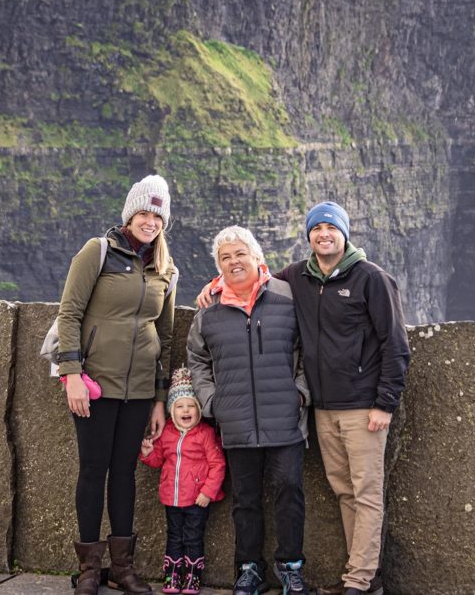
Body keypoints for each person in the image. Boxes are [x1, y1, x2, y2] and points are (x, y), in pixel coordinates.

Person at [197, 203, 409, 595]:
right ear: (308, 236)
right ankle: (364, 576)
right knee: (344, 491)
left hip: (363, 407)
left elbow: (396, 346)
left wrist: (385, 403)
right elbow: (250, 279)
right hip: (324, 411)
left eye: (331, 227)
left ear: (344, 233)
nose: (323, 234)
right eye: (316, 228)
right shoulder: (299, 277)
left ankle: (359, 580)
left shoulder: (372, 279)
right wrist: (214, 285)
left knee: (364, 493)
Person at [57, 174, 178, 595]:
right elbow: (69, 314)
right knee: (93, 470)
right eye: (144, 212)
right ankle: (90, 568)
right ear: (130, 214)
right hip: (94, 384)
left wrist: (161, 398)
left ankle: (122, 568)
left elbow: (166, 336)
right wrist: (71, 374)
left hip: (140, 389)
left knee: (125, 472)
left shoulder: (166, 268)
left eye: (157, 215)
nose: (150, 221)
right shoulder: (99, 252)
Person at [186, 226, 311, 595]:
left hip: (286, 418)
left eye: (240, 253)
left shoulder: (288, 298)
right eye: (225, 257)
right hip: (236, 421)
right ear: (218, 267)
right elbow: (197, 360)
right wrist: (212, 404)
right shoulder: (209, 310)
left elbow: (308, 351)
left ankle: (290, 567)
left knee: (290, 490)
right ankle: (249, 569)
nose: (234, 262)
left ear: (257, 256)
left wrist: (299, 394)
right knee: (245, 499)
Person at [139, 367, 226, 595]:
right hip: (171, 498)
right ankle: (173, 574)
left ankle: (193, 576)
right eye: (179, 406)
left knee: (193, 537)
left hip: (197, 500)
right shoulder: (167, 432)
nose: (185, 411)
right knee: (174, 537)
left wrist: (208, 492)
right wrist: (148, 453)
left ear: (198, 410)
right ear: (171, 410)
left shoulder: (205, 434)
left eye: (190, 406)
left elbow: (218, 464)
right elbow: (159, 460)